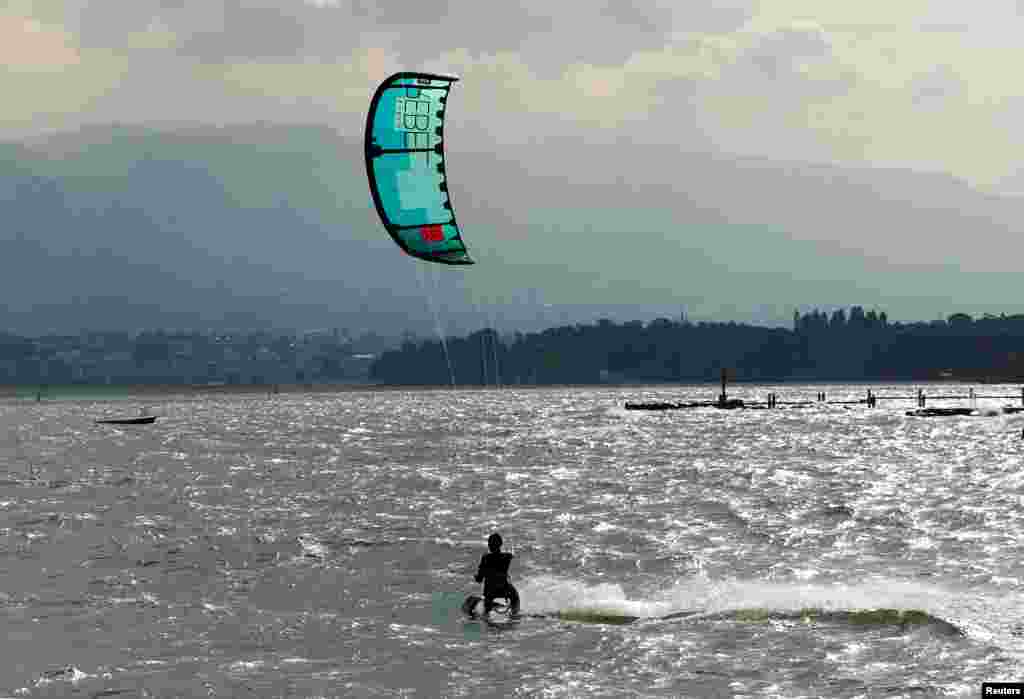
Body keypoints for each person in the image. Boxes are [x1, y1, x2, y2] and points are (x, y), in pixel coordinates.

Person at [474, 532, 519, 616]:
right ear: (500, 544)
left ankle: (486, 616)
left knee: (487, 599)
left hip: (490, 592)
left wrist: (476, 577)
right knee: (515, 595)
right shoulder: (507, 557)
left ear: (489, 545)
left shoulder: (485, 558)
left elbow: (479, 579)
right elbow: (511, 555)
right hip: (504, 590)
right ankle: (515, 614)